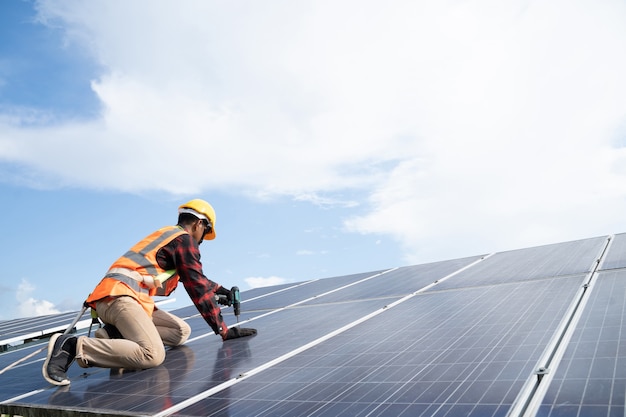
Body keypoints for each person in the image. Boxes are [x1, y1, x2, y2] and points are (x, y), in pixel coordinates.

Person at [42, 199, 257, 386]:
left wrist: (221, 290)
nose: (202, 240)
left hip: (116, 299)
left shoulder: (167, 235)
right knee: (153, 354)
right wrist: (223, 330)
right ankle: (73, 346)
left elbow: (193, 278)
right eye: (205, 233)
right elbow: (196, 286)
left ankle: (113, 335)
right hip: (120, 299)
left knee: (180, 331)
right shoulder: (184, 240)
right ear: (200, 224)